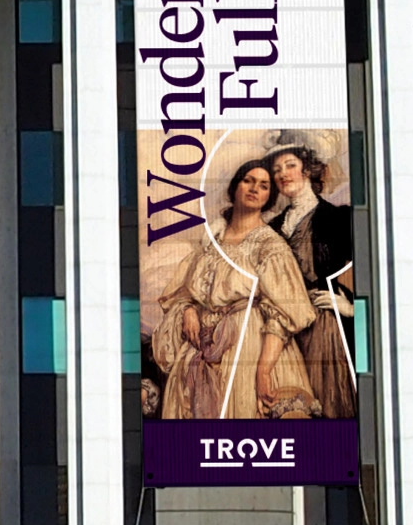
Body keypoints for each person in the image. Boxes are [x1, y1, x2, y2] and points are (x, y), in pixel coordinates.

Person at [152, 157, 319, 422]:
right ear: (235, 187)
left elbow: (285, 313)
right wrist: (188, 311)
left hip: (249, 344)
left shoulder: (270, 245)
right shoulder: (212, 241)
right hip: (201, 344)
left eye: (264, 186)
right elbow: (185, 290)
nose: (255, 189)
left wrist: (263, 370)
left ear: (269, 196)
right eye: (248, 181)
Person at [267, 143, 356, 421]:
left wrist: (351, 307)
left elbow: (375, 274)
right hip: (283, 329)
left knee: (326, 402)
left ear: (307, 170)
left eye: (290, 165)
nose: (283, 174)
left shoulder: (340, 219)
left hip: (322, 325)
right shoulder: (271, 229)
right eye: (277, 170)